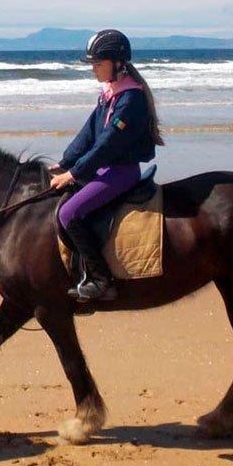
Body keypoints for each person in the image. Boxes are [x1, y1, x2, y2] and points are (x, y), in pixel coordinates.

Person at [49, 29, 164, 301]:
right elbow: (88, 134)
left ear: (118, 63)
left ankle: (101, 279)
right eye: (93, 64)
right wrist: (64, 162)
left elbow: (107, 145)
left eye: (98, 64)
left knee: (68, 214)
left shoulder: (130, 99)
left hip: (120, 173)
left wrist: (74, 173)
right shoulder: (110, 93)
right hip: (103, 169)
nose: (93, 69)